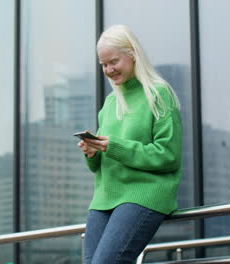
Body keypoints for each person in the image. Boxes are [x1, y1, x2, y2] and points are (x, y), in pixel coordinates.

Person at [77, 24, 182, 264]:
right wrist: (92, 152)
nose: (109, 70)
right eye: (103, 65)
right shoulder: (110, 103)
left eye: (114, 61)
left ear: (133, 54)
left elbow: (168, 155)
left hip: (142, 194)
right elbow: (99, 167)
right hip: (105, 198)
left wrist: (111, 146)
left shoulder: (159, 94)